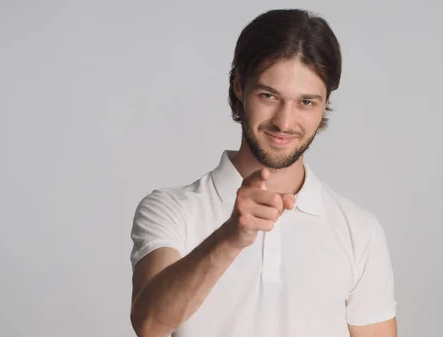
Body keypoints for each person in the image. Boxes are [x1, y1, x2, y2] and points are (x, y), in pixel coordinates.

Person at [129, 8, 397, 337]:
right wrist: (229, 238)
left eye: (306, 102)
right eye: (269, 96)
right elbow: (149, 325)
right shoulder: (172, 209)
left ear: (326, 102)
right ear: (239, 86)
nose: (284, 122)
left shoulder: (359, 230)